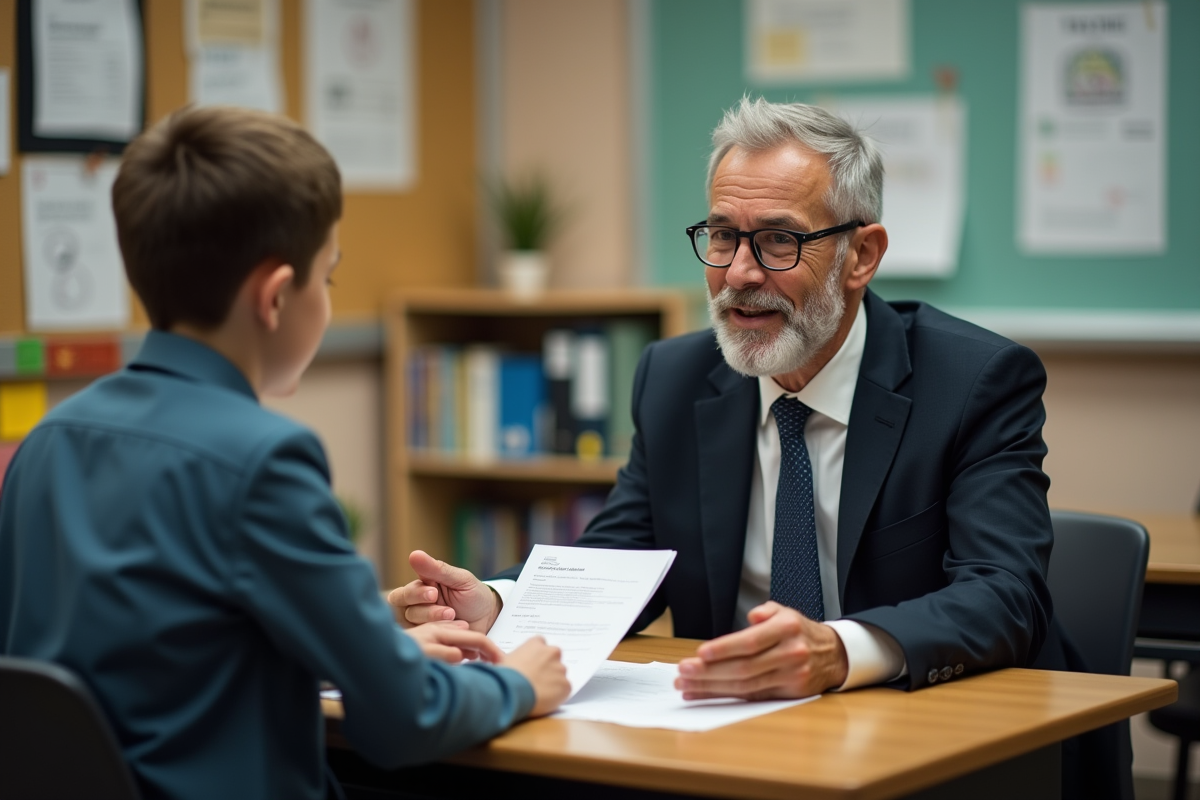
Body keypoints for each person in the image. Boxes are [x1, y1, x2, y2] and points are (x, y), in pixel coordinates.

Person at [392, 97, 1057, 701]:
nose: (738, 273)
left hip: (922, 717)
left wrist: (840, 650)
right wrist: (501, 604)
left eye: (778, 240)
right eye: (721, 236)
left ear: (861, 256)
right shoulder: (675, 378)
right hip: (733, 729)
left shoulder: (973, 382)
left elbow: (1005, 597)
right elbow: (617, 560)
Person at [0, 106, 569, 800]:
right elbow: (401, 721)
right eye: (326, 278)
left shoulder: (48, 443)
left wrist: (366, 634)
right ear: (275, 297)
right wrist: (513, 685)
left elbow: (160, 657)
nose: (326, 302)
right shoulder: (263, 459)